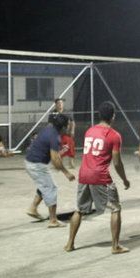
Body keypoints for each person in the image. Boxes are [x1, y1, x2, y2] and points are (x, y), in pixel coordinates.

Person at [64, 101, 131, 254]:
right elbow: (116, 162)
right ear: (113, 116)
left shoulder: (90, 131)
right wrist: (124, 179)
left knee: (79, 209)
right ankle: (115, 246)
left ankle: (70, 244)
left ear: (99, 115)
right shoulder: (114, 136)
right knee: (115, 208)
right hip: (99, 175)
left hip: (84, 173)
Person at [24, 113, 75, 227]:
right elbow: (55, 159)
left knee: (45, 184)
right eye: (67, 125)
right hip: (36, 165)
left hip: (30, 162)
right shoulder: (55, 137)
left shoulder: (48, 128)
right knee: (51, 187)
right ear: (62, 127)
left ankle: (33, 208)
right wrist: (66, 172)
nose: (67, 128)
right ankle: (53, 220)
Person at [54, 98, 76, 169]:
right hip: (57, 134)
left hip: (66, 133)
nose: (60, 104)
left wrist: (72, 130)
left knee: (71, 146)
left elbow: (72, 122)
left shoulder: (67, 112)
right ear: (56, 105)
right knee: (58, 148)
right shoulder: (53, 113)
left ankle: (71, 162)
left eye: (61, 103)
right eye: (58, 103)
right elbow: (50, 124)